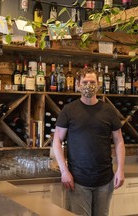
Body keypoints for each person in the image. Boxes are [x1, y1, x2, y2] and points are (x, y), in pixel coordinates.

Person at [53, 67, 125, 216]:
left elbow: (119, 140)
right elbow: (57, 141)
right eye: (85, 82)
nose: (89, 85)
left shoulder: (108, 110)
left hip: (105, 179)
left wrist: (121, 169)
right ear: (78, 85)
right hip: (78, 180)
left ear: (98, 85)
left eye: (92, 82)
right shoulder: (69, 110)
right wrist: (64, 171)